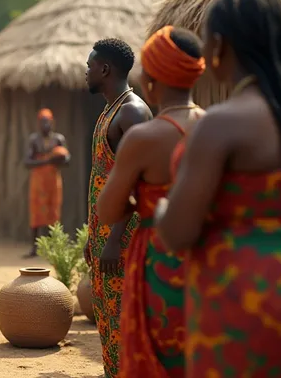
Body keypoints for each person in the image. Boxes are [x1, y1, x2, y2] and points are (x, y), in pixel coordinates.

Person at [155, 0, 281, 377]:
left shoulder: (220, 125)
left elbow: (178, 232)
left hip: (240, 294)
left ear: (218, 45)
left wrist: (163, 207)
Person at [95, 26, 205, 377]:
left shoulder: (144, 134)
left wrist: (141, 199)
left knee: (153, 344)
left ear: (152, 79)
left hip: (158, 254)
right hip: (206, 250)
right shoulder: (216, 127)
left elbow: (108, 208)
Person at [84, 37, 153, 377]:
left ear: (105, 69)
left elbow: (142, 183)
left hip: (122, 241)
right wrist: (93, 236)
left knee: (125, 317)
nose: (86, 72)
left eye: (90, 66)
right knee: (109, 319)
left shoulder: (133, 113)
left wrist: (113, 238)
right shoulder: (110, 111)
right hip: (104, 236)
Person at [23, 108, 70, 258]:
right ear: (38, 123)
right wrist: (48, 160)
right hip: (38, 180)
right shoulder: (34, 140)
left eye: (47, 121)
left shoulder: (58, 139)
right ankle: (34, 248)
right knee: (36, 211)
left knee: (53, 211)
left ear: (52, 122)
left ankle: (54, 248)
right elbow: (27, 162)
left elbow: (67, 159)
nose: (45, 125)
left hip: (53, 180)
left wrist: (60, 159)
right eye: (42, 122)